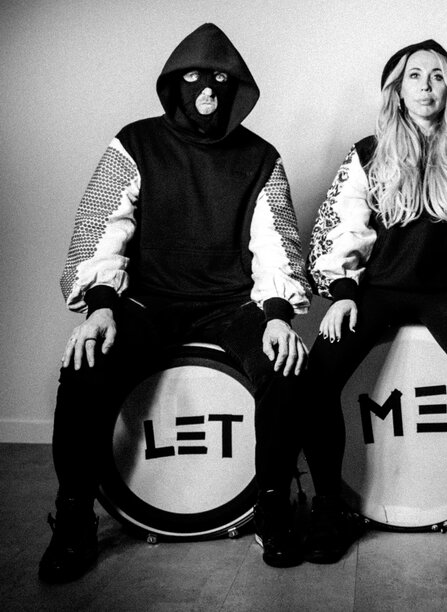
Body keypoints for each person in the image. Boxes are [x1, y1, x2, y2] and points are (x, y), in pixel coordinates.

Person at [40, 23, 311, 582]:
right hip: (147, 301)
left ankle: (273, 506)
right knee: (84, 366)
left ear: (236, 87)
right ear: (174, 85)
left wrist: (279, 315)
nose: (207, 92)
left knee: (284, 369)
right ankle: (73, 517)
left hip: (232, 303)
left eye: (218, 80)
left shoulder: (260, 157)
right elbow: (103, 225)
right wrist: (100, 306)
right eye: (193, 79)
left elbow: (274, 241)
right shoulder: (135, 143)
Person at [301, 40, 447, 566]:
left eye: (438, 76)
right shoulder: (368, 153)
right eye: (414, 76)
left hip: (445, 293)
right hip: (377, 289)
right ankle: (328, 506)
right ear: (397, 91)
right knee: (315, 380)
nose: (425, 86)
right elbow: (345, 224)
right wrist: (343, 292)